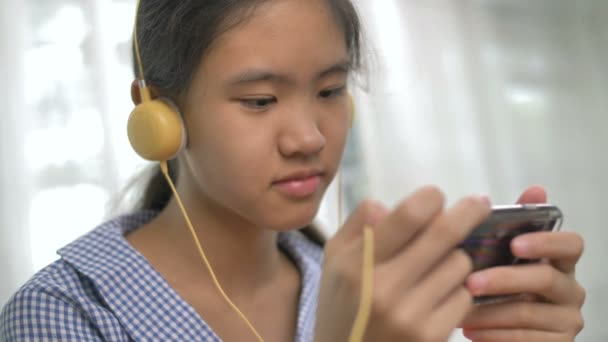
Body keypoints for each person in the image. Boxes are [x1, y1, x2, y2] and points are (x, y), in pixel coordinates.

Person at [1, 0, 585, 341]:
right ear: (157, 113)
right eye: (259, 100)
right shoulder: (62, 315)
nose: (310, 137)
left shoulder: (367, 294)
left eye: (331, 89)